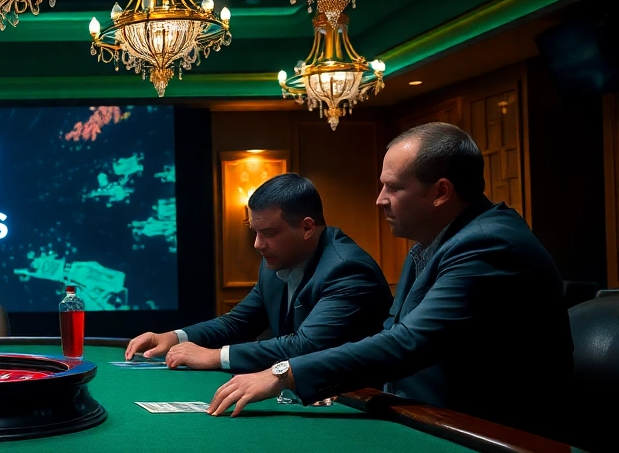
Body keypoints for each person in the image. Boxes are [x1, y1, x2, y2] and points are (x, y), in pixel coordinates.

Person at [208, 123, 570, 436]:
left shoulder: (488, 244)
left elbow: (408, 343)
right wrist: (342, 383)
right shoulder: (434, 242)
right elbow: (390, 333)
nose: (380, 200)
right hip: (426, 419)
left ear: (441, 192)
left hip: (492, 439)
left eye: (393, 188)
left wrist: (283, 375)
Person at [126, 173, 391, 373]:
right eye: (255, 232)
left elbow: (305, 346)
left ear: (307, 227)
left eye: (269, 233)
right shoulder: (276, 261)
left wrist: (215, 356)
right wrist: (174, 337)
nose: (257, 244)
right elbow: (238, 322)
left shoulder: (347, 269)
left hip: (357, 403)